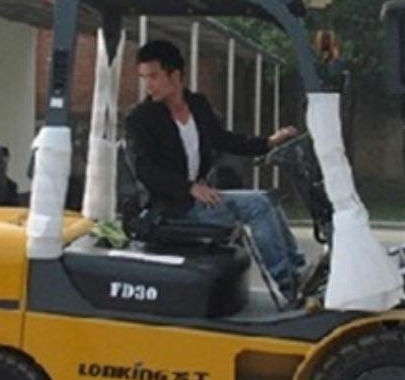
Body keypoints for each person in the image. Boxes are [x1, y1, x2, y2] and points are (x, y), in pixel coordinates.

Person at [126, 40, 305, 299]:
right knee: (257, 205)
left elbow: (224, 139)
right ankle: (289, 285)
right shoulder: (140, 119)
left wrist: (268, 143)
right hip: (169, 207)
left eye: (153, 76)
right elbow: (145, 170)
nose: (147, 85)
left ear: (175, 75)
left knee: (268, 199)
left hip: (195, 199)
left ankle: (298, 271)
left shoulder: (197, 105)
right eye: (143, 77)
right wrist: (189, 187)